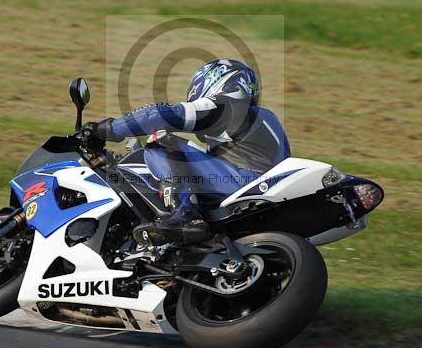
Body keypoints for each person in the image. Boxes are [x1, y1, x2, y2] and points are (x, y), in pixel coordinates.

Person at [82, 59, 290, 246]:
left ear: (217, 80)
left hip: (244, 184)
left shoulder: (231, 107)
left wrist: (105, 129)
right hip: (260, 192)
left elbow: (160, 116)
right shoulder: (259, 119)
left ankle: (184, 216)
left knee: (162, 140)